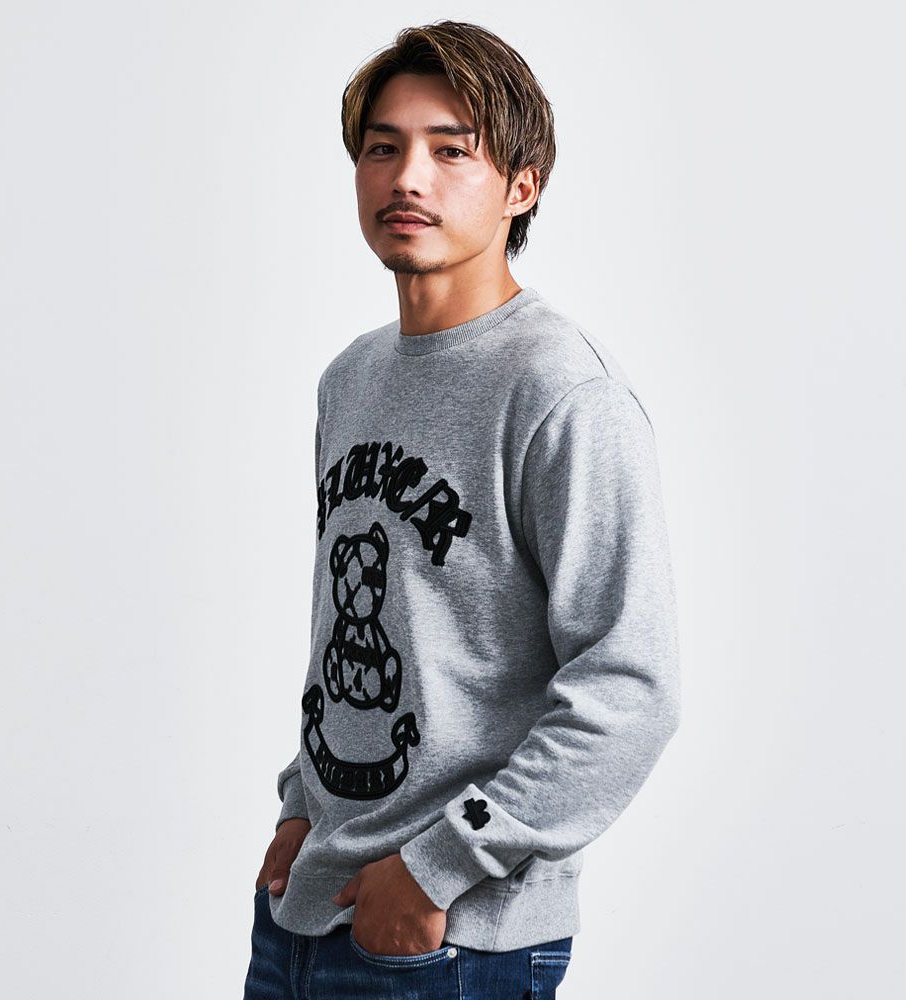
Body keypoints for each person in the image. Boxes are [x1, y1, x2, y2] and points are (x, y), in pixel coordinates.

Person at [243, 19, 681, 1000]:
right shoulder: (351, 379)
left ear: (522, 186)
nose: (408, 178)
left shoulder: (563, 393)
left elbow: (630, 686)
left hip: (449, 941)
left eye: (451, 151)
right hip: (300, 915)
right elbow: (369, 625)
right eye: (382, 148)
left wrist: (440, 865)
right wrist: (297, 807)